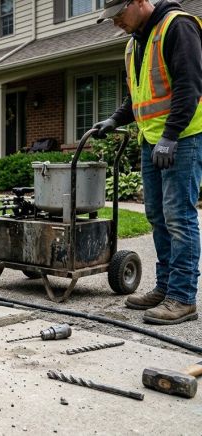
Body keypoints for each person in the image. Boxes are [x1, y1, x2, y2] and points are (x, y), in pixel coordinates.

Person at [94, 0, 202, 324]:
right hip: (151, 142)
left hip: (182, 139)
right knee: (157, 215)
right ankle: (166, 287)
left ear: (139, 1)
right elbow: (137, 96)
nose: (115, 23)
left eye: (118, 15)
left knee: (179, 217)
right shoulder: (134, 44)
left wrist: (170, 135)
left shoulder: (177, 26)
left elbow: (190, 85)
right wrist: (114, 119)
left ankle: (182, 298)